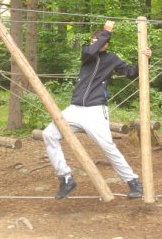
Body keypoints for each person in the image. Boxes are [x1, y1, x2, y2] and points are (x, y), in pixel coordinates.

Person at [43, 20, 150, 200]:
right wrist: (106, 33)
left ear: (107, 44)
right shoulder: (87, 53)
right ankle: (66, 178)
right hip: (74, 109)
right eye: (95, 40)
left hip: (95, 110)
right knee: (49, 134)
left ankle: (134, 182)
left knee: (107, 147)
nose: (97, 43)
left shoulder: (112, 59)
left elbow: (132, 72)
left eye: (101, 41)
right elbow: (93, 50)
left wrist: (145, 58)